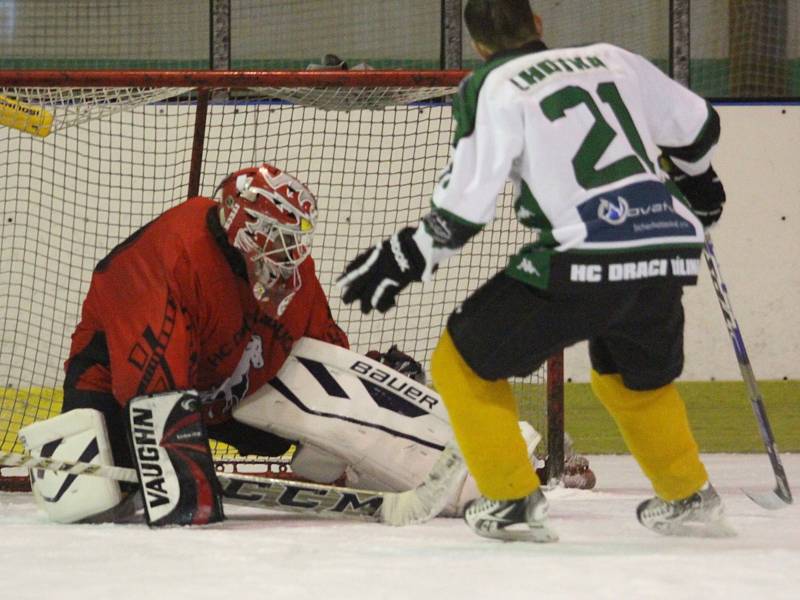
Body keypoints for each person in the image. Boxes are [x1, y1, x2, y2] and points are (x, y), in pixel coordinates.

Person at [338, 0, 731, 542]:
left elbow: (464, 208)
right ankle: (689, 494)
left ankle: (511, 501)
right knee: (629, 378)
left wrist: (405, 258)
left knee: (460, 363)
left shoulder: (493, 85)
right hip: (666, 245)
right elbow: (698, 129)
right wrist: (702, 187)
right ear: (539, 25)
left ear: (478, 46)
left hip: (587, 250)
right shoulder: (613, 58)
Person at [24, 162, 349, 526]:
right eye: (277, 235)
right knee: (96, 502)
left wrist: (360, 401)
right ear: (243, 226)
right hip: (115, 383)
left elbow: (323, 344)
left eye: (293, 238)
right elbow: (149, 386)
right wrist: (183, 479)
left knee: (278, 432)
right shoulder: (177, 252)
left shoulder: (287, 270)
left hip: (213, 386)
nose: (290, 251)